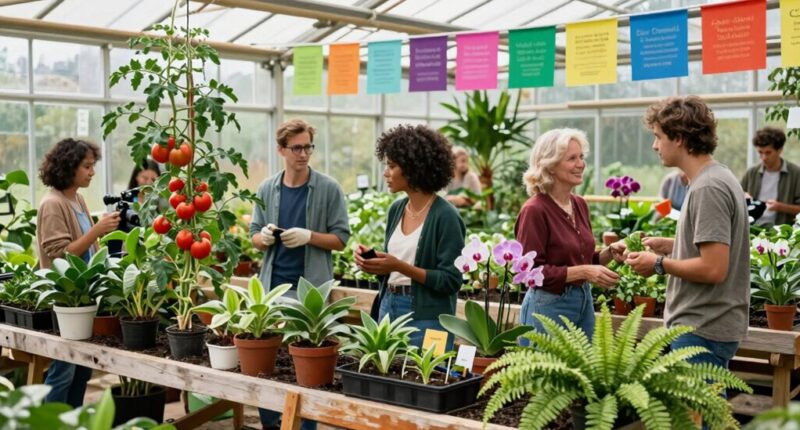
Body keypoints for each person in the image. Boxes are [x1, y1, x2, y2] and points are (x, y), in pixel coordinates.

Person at [626, 96, 749, 381]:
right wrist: (672, 244)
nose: (654, 145)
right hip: (705, 325)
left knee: (698, 422)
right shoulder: (717, 177)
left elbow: (714, 268)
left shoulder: (708, 188)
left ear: (679, 138)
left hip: (701, 328)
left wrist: (658, 264)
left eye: (658, 137)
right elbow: (718, 246)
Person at [249, 119, 349, 430]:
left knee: (307, 368)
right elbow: (253, 234)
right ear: (281, 150)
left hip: (311, 293)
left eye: (308, 147)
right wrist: (262, 238)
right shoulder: (268, 188)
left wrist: (310, 236)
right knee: (267, 365)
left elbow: (342, 239)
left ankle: (306, 427)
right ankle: (270, 422)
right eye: (296, 148)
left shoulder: (328, 188)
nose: (303, 154)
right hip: (272, 291)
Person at [355, 124, 465, 350]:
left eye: (392, 166)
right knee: (386, 378)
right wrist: (375, 263)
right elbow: (395, 268)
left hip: (426, 316)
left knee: (422, 379)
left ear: (414, 169)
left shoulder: (446, 216)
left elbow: (451, 280)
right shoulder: (397, 209)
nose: (386, 173)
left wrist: (400, 266)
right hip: (388, 305)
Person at [515, 128, 622, 341]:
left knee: (580, 372)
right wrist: (584, 272)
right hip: (548, 306)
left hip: (583, 300)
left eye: (581, 157)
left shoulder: (579, 204)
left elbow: (580, 258)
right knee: (544, 371)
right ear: (550, 165)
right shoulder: (535, 210)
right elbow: (530, 273)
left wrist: (609, 253)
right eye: (572, 158)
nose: (581, 163)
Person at [37, 138, 120, 407]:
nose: (92, 172)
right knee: (64, 369)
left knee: (82, 368)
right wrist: (97, 230)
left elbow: (87, 248)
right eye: (86, 166)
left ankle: (72, 421)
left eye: (92, 166)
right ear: (68, 166)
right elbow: (59, 255)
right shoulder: (52, 203)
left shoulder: (78, 199)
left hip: (84, 297)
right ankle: (48, 424)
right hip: (66, 299)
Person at [740, 127, 800, 226]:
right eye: (760, 152)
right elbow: (735, 200)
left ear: (780, 150)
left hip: (781, 233)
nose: (763, 157)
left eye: (768, 153)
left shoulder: (796, 173)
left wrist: (780, 207)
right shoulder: (751, 172)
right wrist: (743, 197)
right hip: (752, 229)